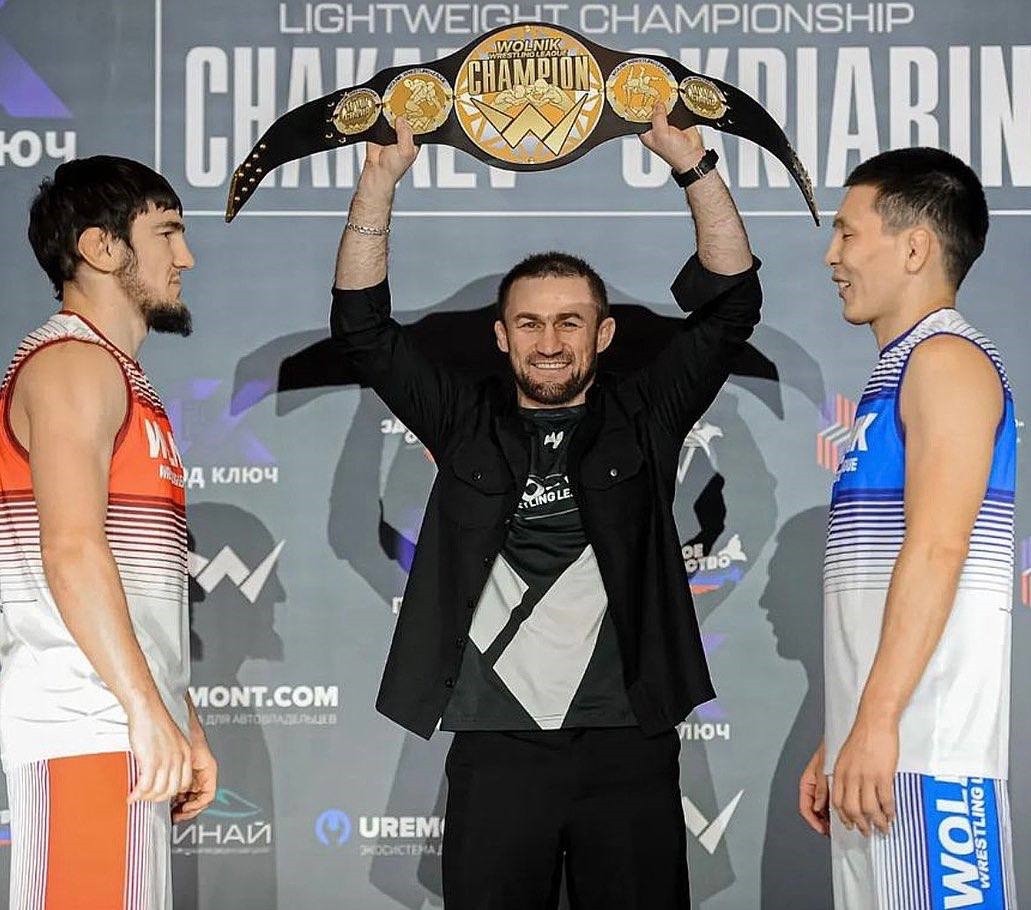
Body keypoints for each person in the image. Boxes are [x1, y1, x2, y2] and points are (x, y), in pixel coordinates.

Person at [331, 108, 759, 909]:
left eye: (570, 322)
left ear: (604, 334)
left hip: (627, 743)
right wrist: (378, 182)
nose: (550, 342)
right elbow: (361, 330)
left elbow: (731, 307)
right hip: (497, 747)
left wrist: (694, 168)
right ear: (501, 336)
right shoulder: (462, 420)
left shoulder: (645, 416)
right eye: (529, 323)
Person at [798, 148, 1017, 908]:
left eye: (848, 233)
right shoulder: (903, 366)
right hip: (891, 748)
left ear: (915, 246)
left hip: (932, 755)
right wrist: (847, 726)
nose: (832, 256)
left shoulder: (945, 360)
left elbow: (937, 549)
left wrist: (878, 719)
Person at [0, 156, 217, 908]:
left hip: (119, 725)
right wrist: (144, 708)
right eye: (167, 233)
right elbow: (71, 549)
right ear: (100, 247)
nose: (185, 257)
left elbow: (126, 580)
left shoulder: (115, 372)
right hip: (82, 721)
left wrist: (178, 715)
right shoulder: (71, 364)